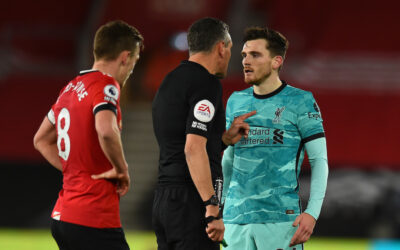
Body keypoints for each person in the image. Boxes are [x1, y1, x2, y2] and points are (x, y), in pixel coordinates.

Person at [33, 20, 143, 250]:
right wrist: (122, 169)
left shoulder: (71, 87)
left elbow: (41, 140)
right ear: (125, 57)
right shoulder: (106, 86)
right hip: (93, 218)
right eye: (134, 60)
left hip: (64, 215)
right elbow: (105, 130)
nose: (132, 68)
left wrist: (76, 170)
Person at [152, 17, 255, 250]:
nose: (230, 56)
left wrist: (224, 139)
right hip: (191, 202)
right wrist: (211, 207)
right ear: (221, 47)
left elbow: (179, 139)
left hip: (165, 201)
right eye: (230, 49)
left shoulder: (169, 81)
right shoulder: (206, 83)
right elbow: (192, 147)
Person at [221, 26, 329, 250]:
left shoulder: (301, 101)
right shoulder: (235, 101)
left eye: (255, 55)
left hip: (280, 220)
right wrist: (219, 206)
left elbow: (320, 161)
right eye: (244, 55)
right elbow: (229, 159)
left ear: (276, 61)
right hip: (234, 220)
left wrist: (312, 213)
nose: (246, 61)